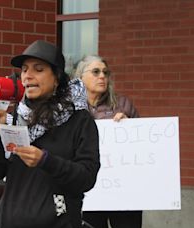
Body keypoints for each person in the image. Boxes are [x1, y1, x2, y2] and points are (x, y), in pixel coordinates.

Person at [0, 40, 101, 228]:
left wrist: (46, 161)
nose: (28, 75)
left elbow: (86, 178)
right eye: (25, 69)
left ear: (57, 78)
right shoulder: (16, 118)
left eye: (38, 69)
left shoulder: (79, 120)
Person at [73, 55, 141, 228]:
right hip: (90, 192)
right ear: (80, 77)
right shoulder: (70, 109)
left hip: (122, 190)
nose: (102, 76)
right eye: (96, 72)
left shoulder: (122, 104)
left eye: (105, 72)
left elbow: (142, 145)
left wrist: (130, 126)